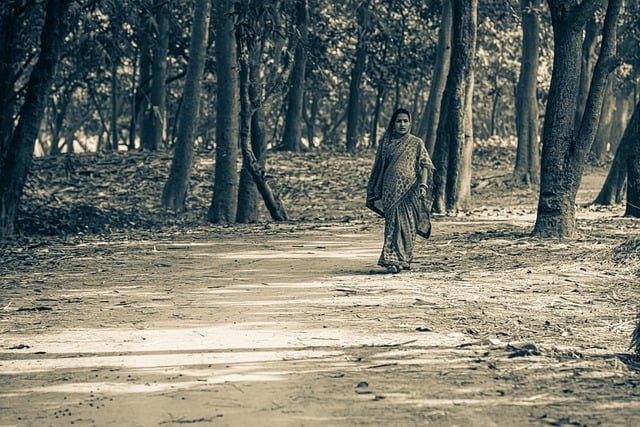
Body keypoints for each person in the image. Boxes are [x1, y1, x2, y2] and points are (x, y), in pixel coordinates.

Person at [366, 108, 434, 273]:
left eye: (405, 121)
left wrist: (423, 186)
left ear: (410, 123)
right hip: (390, 190)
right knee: (392, 224)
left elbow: (426, 165)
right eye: (399, 121)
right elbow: (379, 168)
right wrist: (377, 188)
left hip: (411, 191)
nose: (402, 124)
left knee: (408, 225)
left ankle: (403, 259)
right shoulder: (386, 144)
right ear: (393, 124)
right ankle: (391, 260)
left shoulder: (416, 143)